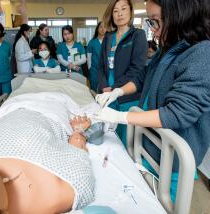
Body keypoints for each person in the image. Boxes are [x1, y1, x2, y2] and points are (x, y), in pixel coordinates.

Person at [95, 0, 210, 202]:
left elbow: (177, 113)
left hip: (171, 162)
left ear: (181, 16)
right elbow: (142, 77)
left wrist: (121, 116)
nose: (154, 31)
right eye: (151, 22)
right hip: (148, 147)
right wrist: (118, 92)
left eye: (156, 22)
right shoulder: (167, 49)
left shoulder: (202, 54)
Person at [97, 0, 148, 145]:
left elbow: (137, 69)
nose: (120, 13)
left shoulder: (138, 35)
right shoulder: (108, 37)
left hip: (128, 97)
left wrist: (114, 88)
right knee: (111, 139)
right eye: (115, 10)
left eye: (124, 9)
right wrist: (104, 85)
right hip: (108, 96)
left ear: (130, 12)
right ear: (111, 15)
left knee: (127, 141)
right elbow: (101, 65)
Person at [87, 21, 106, 91]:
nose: (103, 29)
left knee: (105, 88)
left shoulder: (109, 42)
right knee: (94, 88)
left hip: (106, 70)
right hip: (94, 70)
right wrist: (90, 68)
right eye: (101, 27)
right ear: (97, 28)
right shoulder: (92, 42)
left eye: (105, 27)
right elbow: (88, 57)